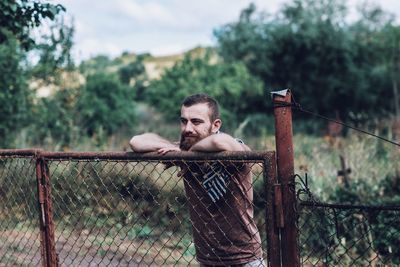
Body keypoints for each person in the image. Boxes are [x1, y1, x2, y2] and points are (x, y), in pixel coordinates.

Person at [129, 93, 265, 267]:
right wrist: (175, 148)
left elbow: (220, 141)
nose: (187, 128)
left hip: (244, 259)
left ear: (216, 125)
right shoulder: (183, 151)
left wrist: (187, 152)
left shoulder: (234, 151)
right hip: (207, 260)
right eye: (184, 121)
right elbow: (136, 141)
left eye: (196, 121)